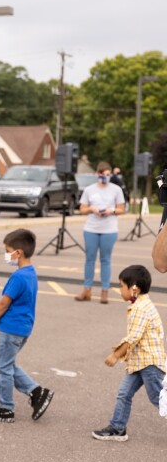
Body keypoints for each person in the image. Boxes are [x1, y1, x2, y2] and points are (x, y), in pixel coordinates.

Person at [0, 229, 54, 423]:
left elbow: (4, 302)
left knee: (2, 367)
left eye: (8, 251)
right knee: (7, 364)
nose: (7, 255)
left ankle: (6, 407)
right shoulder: (31, 273)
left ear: (18, 252)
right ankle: (38, 392)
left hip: (11, 328)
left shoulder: (18, 277)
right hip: (23, 328)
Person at [92, 265, 166, 441]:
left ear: (134, 288)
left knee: (159, 399)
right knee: (124, 393)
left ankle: (117, 427)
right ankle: (117, 428)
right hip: (139, 362)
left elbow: (133, 338)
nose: (119, 290)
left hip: (149, 364)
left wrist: (115, 355)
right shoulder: (141, 304)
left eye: (121, 286)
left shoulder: (140, 309)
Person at [75, 162, 126, 304]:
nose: (105, 177)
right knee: (89, 259)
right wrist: (92, 208)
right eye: (102, 174)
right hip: (91, 228)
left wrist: (112, 211)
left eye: (107, 175)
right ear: (97, 174)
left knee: (106, 260)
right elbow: (82, 209)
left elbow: (122, 209)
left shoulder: (116, 189)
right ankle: (87, 289)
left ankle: (105, 291)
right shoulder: (89, 189)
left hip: (109, 229)